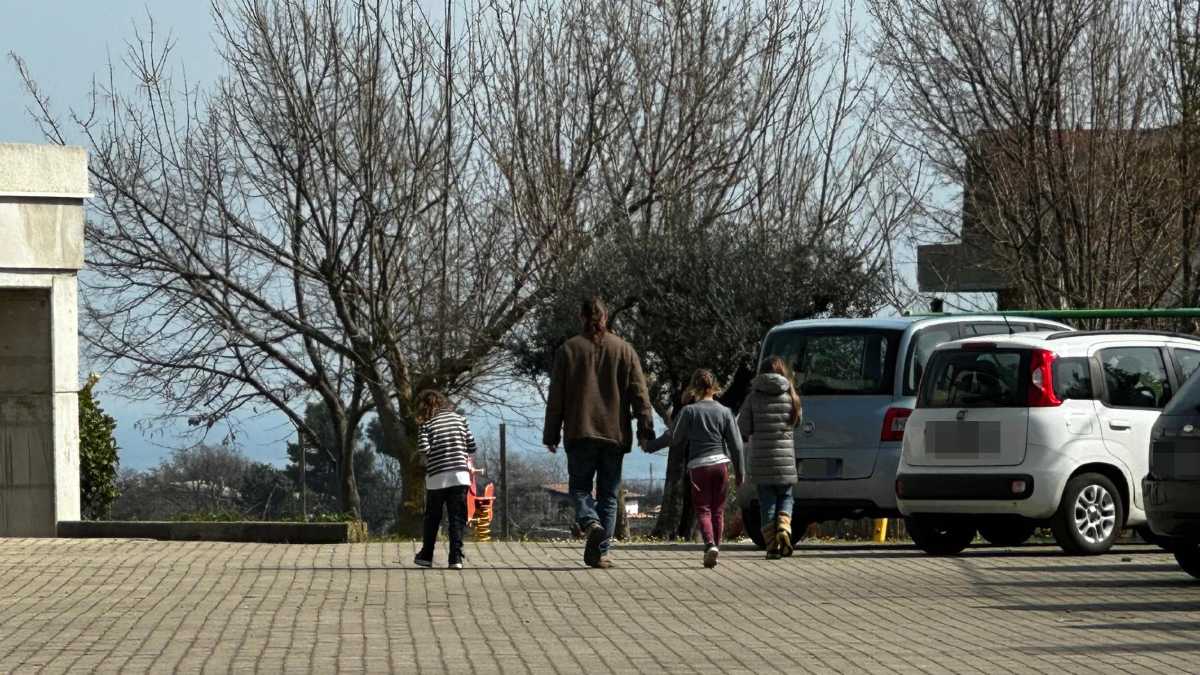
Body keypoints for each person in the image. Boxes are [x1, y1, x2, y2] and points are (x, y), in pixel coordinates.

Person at [543, 296, 655, 568]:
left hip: (580, 432)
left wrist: (551, 434)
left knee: (580, 488)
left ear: (582, 318)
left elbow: (556, 396)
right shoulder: (625, 350)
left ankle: (590, 523)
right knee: (609, 494)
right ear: (605, 318)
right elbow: (640, 393)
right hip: (614, 434)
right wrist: (645, 428)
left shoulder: (569, 350)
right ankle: (601, 551)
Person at [669, 369, 744, 568]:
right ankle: (716, 548)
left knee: (703, 509)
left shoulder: (689, 411)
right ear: (715, 387)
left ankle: (709, 544)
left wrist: (683, 406)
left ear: (694, 388)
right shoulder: (725, 412)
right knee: (717, 510)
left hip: (699, 467)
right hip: (721, 464)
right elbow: (736, 445)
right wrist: (740, 473)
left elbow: (676, 438)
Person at [738, 356, 802, 560]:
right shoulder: (791, 394)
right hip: (785, 461)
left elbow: (743, 428)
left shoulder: (753, 397)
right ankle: (784, 527)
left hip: (761, 461)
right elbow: (798, 421)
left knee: (767, 502)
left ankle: (772, 547)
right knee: (786, 497)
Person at [413, 389, 477, 570]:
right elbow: (472, 445)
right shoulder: (460, 419)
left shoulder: (426, 424)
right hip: (460, 476)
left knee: (433, 517)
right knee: (456, 518)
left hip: (437, 478)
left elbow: (424, 448)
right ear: (443, 403)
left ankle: (426, 555)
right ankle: (456, 557)